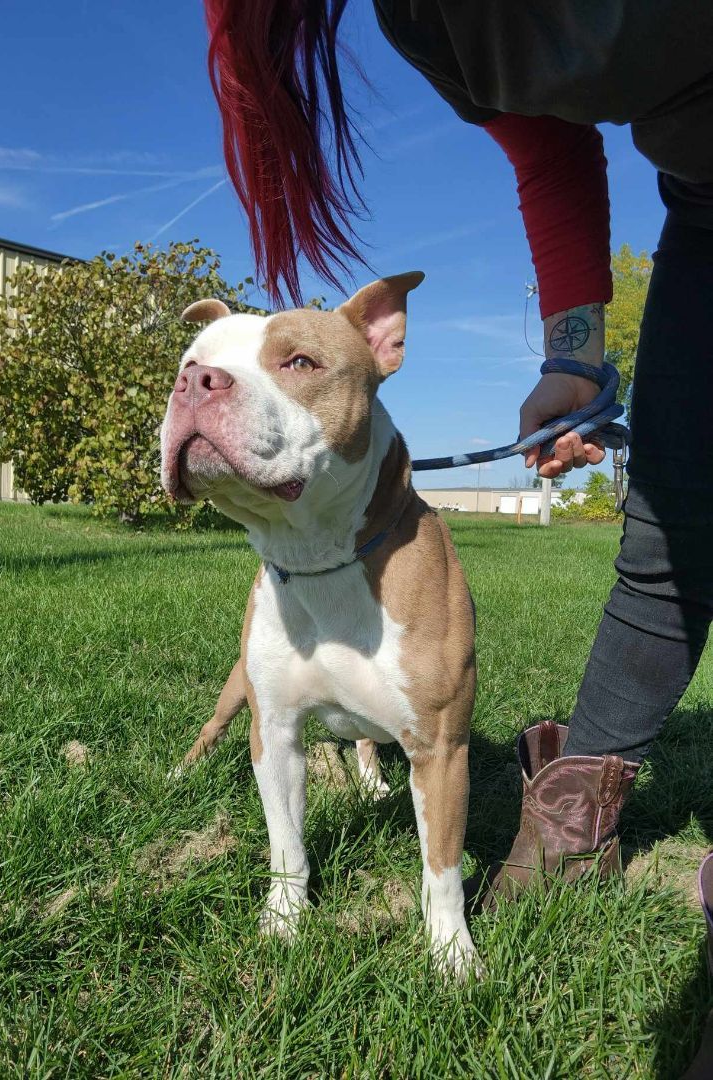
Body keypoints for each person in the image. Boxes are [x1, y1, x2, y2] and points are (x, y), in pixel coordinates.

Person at [200, 1, 713, 898]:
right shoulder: (422, 20)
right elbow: (550, 145)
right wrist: (574, 356)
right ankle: (571, 825)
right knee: (670, 525)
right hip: (705, 205)